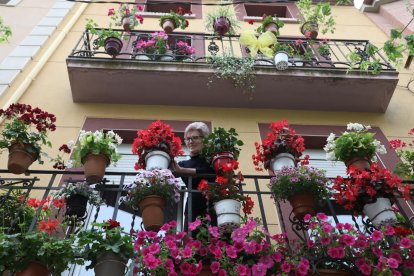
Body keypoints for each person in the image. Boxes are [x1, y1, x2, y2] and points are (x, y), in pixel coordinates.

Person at [172, 122, 216, 229]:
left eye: (195, 138)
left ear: (204, 139)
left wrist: (183, 170)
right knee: (191, 243)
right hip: (192, 208)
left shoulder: (212, 159)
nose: (190, 142)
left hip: (211, 206)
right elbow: (168, 172)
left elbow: (210, 171)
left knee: (214, 241)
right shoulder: (184, 164)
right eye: (188, 139)